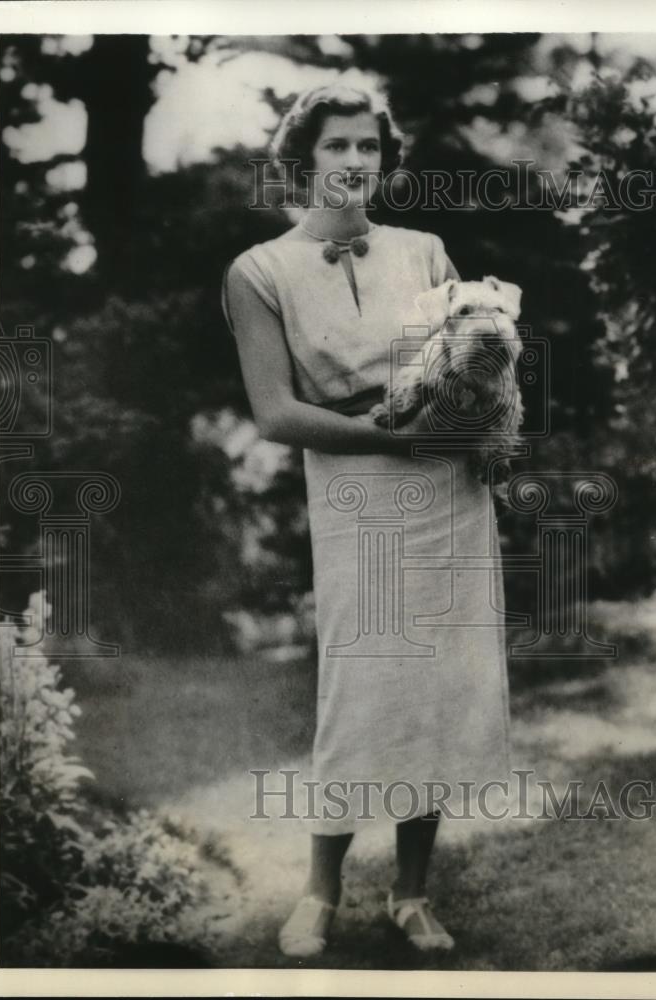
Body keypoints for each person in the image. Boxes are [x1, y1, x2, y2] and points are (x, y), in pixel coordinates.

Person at [221, 82, 512, 959]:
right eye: (337, 146)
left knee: (439, 690)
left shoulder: (425, 251)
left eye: (368, 147)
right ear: (302, 159)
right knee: (360, 690)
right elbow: (274, 413)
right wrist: (386, 437)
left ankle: (412, 892)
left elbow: (476, 357)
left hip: (448, 491)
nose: (354, 162)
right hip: (354, 490)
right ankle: (320, 890)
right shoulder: (258, 272)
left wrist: (476, 425)